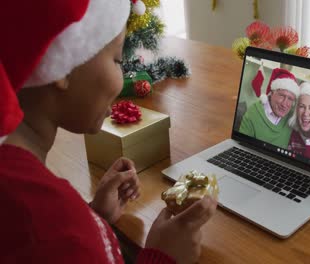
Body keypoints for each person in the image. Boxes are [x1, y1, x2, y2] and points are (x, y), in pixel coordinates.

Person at [0, 1, 217, 263]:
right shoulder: (55, 228)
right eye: (117, 59)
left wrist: (94, 217)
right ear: (64, 63)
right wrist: (163, 257)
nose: (123, 77)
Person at [239, 68, 300, 149]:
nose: (285, 104)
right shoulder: (252, 113)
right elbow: (242, 147)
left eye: (290, 99)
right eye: (281, 95)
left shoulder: (291, 117)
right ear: (272, 93)